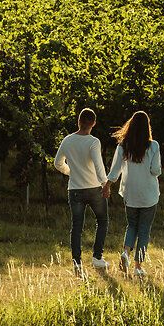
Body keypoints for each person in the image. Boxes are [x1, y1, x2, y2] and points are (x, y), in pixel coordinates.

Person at [52, 108, 110, 276]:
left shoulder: (67, 140)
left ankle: (77, 262)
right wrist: (105, 184)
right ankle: (97, 257)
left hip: (75, 189)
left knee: (77, 226)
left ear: (78, 121)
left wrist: (71, 171)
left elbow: (57, 163)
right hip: (94, 189)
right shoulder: (93, 142)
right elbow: (99, 167)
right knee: (102, 221)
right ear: (93, 123)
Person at [106, 110, 161, 278]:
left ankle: (125, 253)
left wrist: (107, 186)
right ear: (147, 127)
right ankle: (138, 266)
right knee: (144, 229)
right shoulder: (153, 146)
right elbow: (155, 170)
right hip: (148, 194)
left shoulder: (123, 146)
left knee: (132, 225)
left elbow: (115, 170)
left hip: (130, 193)